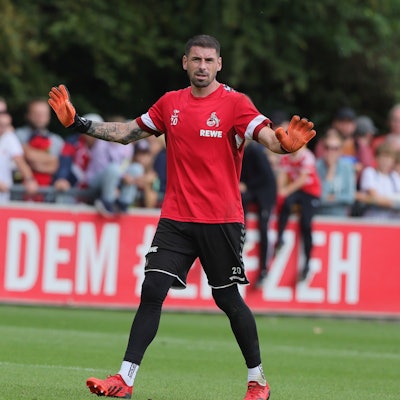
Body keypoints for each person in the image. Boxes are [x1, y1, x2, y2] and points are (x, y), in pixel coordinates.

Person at [48, 34, 316, 400]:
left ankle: (258, 381)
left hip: (221, 219)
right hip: (177, 217)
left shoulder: (236, 104)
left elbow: (267, 137)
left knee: (228, 300)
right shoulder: (170, 103)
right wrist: (79, 123)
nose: (202, 66)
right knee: (152, 289)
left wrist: (284, 146)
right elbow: (127, 133)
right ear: (185, 63)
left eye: (209, 60)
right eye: (196, 59)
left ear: (219, 64)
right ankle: (124, 379)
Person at [275, 144, 321, 281]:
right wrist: (281, 192)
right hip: (298, 191)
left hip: (311, 192)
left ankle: (307, 262)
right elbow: (282, 175)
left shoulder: (307, 156)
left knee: (306, 224)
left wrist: (285, 191)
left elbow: (302, 179)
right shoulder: (286, 157)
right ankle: (280, 237)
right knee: (285, 204)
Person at [240, 141, 277, 286]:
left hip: (266, 193)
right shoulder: (245, 151)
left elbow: (264, 176)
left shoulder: (254, 151)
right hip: (256, 190)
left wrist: (246, 184)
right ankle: (244, 234)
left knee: (264, 227)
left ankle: (264, 270)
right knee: (240, 199)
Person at [15, 98, 64, 194]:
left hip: (47, 194)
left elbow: (56, 166)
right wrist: (49, 161)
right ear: (27, 115)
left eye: (43, 114)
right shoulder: (17, 135)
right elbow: (28, 155)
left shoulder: (57, 141)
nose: (40, 117)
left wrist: (33, 163)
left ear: (49, 117)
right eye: (36, 114)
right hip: (19, 191)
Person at [53, 113, 101, 204]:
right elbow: (65, 161)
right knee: (62, 188)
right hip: (73, 184)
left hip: (94, 187)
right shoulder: (72, 142)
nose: (93, 134)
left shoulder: (105, 147)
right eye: (90, 130)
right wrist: (62, 178)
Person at [316, 128, 356, 216]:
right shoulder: (316, 166)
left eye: (335, 148)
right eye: (327, 148)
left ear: (341, 150)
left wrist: (330, 198)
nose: (330, 152)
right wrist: (330, 170)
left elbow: (350, 198)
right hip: (319, 217)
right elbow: (318, 198)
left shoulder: (347, 167)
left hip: (340, 218)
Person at [0, 112, 38, 203]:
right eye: (1, 125)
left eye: (7, 125)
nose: (3, 128)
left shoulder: (9, 137)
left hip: (3, 196)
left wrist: (29, 180)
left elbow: (19, 160)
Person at [356, 142, 400, 219]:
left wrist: (370, 199)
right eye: (383, 158)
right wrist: (393, 203)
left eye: (389, 159)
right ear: (376, 158)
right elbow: (374, 196)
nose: (386, 162)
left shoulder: (394, 176)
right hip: (372, 219)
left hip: (391, 221)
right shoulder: (370, 172)